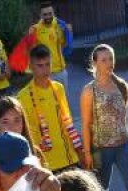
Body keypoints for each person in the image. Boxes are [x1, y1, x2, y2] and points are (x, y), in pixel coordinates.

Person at [80, 44, 128, 191]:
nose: (109, 63)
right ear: (95, 63)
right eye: (104, 60)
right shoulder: (89, 91)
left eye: (111, 58)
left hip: (124, 145)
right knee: (101, 187)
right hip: (101, 147)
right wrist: (87, 153)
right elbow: (85, 124)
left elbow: (123, 116)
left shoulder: (121, 85)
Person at [17, 45, 84, 173]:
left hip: (69, 157)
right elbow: (25, 132)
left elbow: (67, 120)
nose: (45, 70)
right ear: (31, 67)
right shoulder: (23, 97)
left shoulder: (59, 88)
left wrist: (79, 149)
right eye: (40, 66)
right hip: (46, 163)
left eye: (48, 64)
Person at [29, 1, 72, 90]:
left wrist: (69, 33)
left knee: (64, 98)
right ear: (40, 15)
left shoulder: (59, 25)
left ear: (53, 13)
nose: (48, 16)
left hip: (61, 72)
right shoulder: (35, 30)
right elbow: (32, 53)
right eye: (45, 14)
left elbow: (64, 45)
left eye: (50, 13)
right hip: (46, 73)